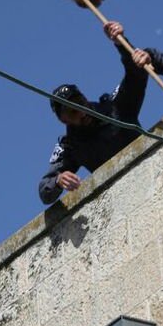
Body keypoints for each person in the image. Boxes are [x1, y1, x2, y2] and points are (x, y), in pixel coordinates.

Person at [37, 22, 148, 204]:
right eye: (73, 112)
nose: (82, 113)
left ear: (85, 97)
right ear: (62, 120)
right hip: (122, 199)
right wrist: (59, 180)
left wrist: (121, 42)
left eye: (81, 103)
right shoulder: (70, 146)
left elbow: (137, 73)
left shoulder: (114, 107)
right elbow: (44, 190)